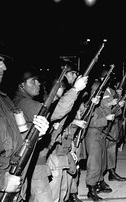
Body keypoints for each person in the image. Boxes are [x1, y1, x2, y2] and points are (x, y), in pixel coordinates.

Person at [0, 42, 49, 202]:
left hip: (14, 187)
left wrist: (36, 133)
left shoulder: (5, 101)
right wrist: (1, 182)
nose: (4, 67)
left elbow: (18, 139)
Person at [13, 65, 88, 202]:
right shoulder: (23, 102)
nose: (38, 83)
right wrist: (75, 89)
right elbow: (55, 112)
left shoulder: (23, 101)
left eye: (38, 80)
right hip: (35, 163)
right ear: (21, 85)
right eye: (33, 81)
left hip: (36, 160)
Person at [46, 64, 88, 202]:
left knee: (64, 184)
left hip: (66, 143)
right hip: (55, 149)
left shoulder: (67, 95)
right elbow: (58, 113)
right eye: (72, 73)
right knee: (55, 189)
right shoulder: (52, 100)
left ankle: (71, 195)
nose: (75, 76)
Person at [84, 79, 116, 201]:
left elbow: (107, 110)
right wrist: (106, 119)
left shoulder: (99, 104)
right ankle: (91, 189)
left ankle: (100, 181)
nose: (101, 97)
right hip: (93, 136)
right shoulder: (89, 105)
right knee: (94, 164)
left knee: (102, 161)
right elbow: (91, 122)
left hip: (101, 135)